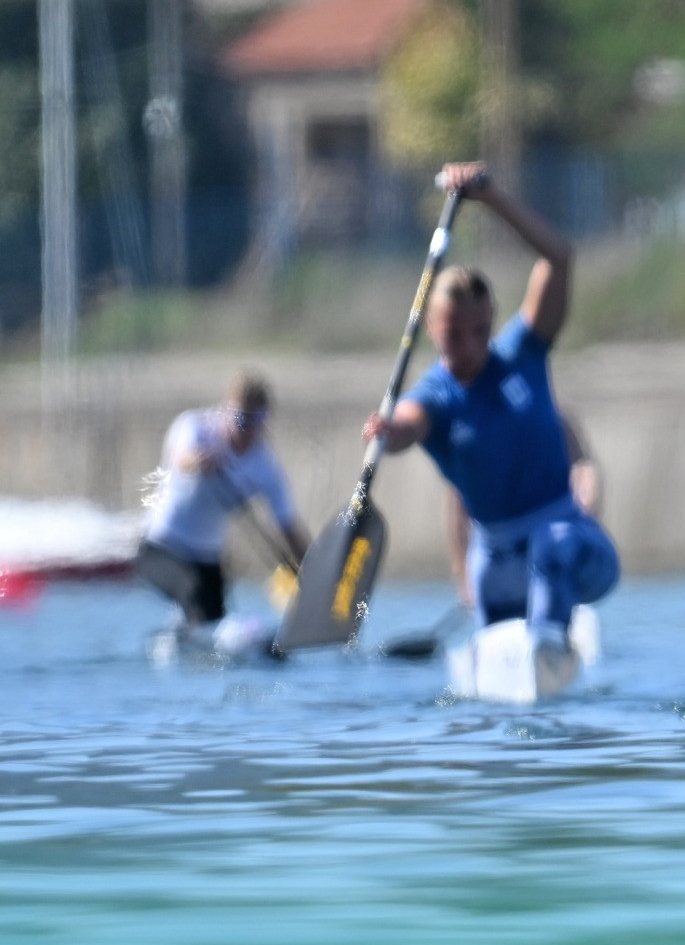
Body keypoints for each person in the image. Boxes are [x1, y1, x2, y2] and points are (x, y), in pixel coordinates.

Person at [364, 162, 618, 663]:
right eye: (454, 332)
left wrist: (493, 198)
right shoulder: (432, 396)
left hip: (574, 544)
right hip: (496, 556)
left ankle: (547, 640)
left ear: (491, 323)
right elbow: (408, 427)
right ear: (433, 330)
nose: (470, 343)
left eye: (479, 330)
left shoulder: (523, 350)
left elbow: (559, 257)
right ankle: (520, 654)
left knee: (553, 543)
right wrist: (387, 433)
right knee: (484, 573)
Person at [139, 372, 309, 625]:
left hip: (208, 561)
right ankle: (183, 634)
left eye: (257, 420)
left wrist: (317, 572)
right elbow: (181, 459)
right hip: (161, 550)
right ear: (226, 411)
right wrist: (199, 461)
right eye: (241, 419)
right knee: (193, 593)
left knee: (216, 620)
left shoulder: (265, 466)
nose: (248, 429)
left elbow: (287, 527)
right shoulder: (195, 427)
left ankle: (188, 636)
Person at [440, 415, 601, 607]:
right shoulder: (474, 432)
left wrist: (583, 512)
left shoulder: (552, 418)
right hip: (500, 559)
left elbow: (584, 469)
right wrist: (464, 577)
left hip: (549, 549)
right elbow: (458, 510)